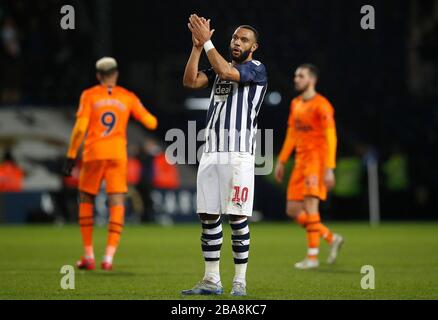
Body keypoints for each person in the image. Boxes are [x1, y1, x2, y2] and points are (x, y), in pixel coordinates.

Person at [181, 14, 267, 296]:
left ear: (253, 47)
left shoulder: (256, 69)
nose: (237, 42)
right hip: (211, 151)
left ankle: (239, 281)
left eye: (244, 40)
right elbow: (190, 82)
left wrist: (207, 42)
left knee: (237, 217)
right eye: (234, 38)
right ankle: (211, 280)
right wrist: (197, 47)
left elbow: (229, 73)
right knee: (208, 216)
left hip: (238, 153)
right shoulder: (220, 67)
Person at [62, 57, 158, 271]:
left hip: (94, 153)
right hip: (117, 154)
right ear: (116, 74)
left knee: (86, 199)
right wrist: (132, 111)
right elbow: (151, 122)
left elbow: (79, 129)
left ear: (98, 76)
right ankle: (108, 258)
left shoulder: (89, 95)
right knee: (117, 202)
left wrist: (70, 156)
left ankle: (88, 256)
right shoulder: (127, 97)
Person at [274, 64, 344, 270]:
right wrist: (282, 160)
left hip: (316, 162)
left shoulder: (322, 105)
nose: (296, 79)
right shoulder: (295, 103)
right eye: (295, 75)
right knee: (293, 210)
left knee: (311, 208)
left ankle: (312, 258)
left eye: (301, 76)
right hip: (300, 162)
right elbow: (292, 134)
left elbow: (331, 137)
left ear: (312, 80)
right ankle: (331, 238)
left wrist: (329, 167)